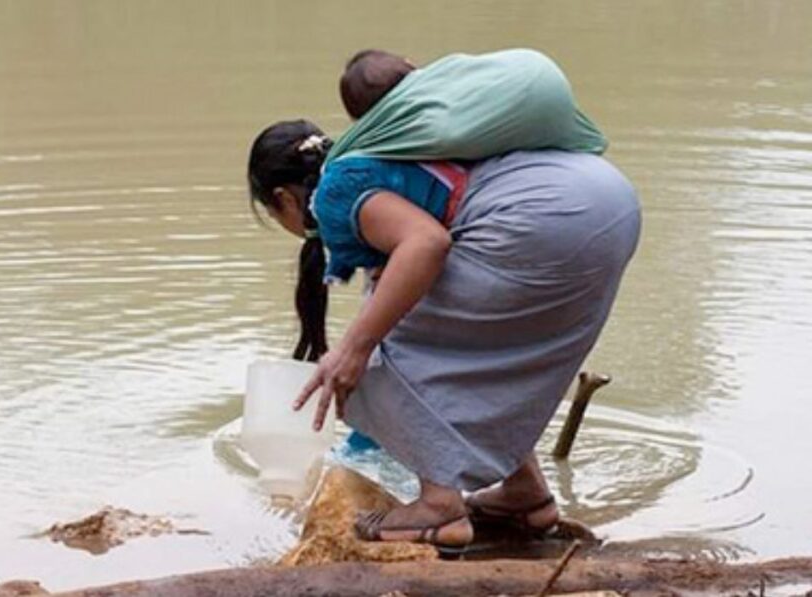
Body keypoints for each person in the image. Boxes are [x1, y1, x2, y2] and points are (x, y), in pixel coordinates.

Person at [246, 119, 640, 553]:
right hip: (605, 202)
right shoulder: (379, 163)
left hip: (547, 219)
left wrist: (354, 350)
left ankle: (439, 507)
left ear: (283, 199)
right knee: (479, 350)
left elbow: (427, 243)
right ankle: (525, 494)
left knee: (382, 347)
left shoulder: (341, 196)